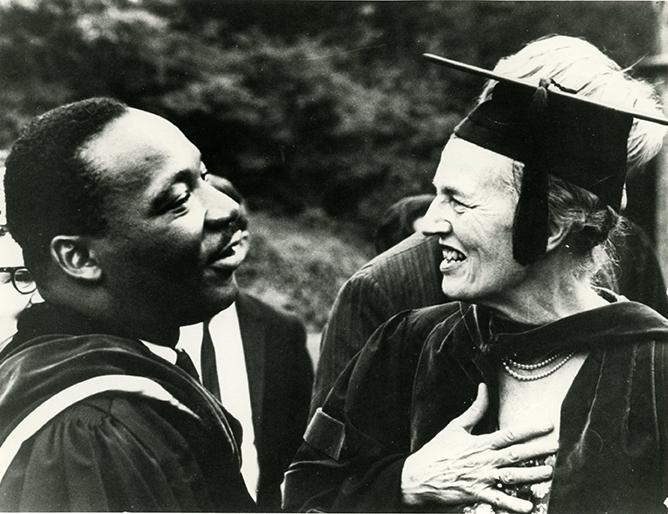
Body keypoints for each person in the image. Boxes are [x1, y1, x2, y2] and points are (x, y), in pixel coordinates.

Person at [285, 35, 668, 513]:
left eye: (458, 201)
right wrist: (403, 484)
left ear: (550, 227)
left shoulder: (654, 372)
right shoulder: (407, 349)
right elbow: (305, 497)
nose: (428, 223)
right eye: (435, 195)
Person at [0, 97, 255, 511]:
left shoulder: (70, 369)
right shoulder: (93, 430)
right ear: (79, 259)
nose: (228, 209)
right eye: (178, 199)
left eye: (204, 178)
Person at [178, 175, 313, 511]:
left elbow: (304, 445)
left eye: (229, 226)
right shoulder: (146, 327)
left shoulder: (282, 331)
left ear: (243, 239)